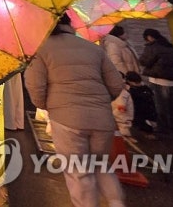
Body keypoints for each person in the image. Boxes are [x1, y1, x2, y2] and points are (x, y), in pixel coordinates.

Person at [25, 14, 125, 207]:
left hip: (66, 119)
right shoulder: (91, 48)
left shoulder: (41, 50)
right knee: (101, 165)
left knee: (79, 172)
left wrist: (48, 105)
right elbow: (116, 83)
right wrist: (101, 101)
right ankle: (116, 203)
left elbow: (35, 86)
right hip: (102, 118)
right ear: (69, 24)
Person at [139, 28, 173, 135]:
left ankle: (164, 128)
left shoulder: (153, 47)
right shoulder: (170, 47)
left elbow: (144, 61)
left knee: (161, 106)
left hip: (160, 80)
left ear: (149, 37)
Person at [124, 71, 156, 139]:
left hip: (142, 109)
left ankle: (148, 132)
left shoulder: (136, 89)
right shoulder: (143, 88)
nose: (137, 84)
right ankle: (147, 132)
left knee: (144, 121)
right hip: (138, 109)